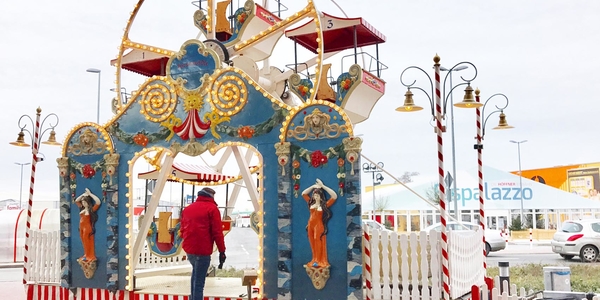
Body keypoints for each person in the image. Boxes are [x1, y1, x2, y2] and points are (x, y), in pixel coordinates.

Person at [180, 187, 226, 300]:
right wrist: (222, 251)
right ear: (211, 196)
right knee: (199, 283)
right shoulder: (212, 209)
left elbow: (182, 230)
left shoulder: (187, 209)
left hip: (189, 249)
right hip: (203, 250)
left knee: (195, 275)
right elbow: (217, 233)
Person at [301, 178, 338, 268]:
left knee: (317, 240)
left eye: (317, 195)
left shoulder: (324, 205)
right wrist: (313, 186)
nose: (315, 197)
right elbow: (303, 193)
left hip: (319, 225)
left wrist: (323, 186)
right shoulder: (311, 203)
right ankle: (314, 258)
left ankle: (319, 260)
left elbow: (334, 196)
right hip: (310, 225)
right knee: (312, 241)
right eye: (314, 195)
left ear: (321, 196)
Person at [74, 188, 101, 262]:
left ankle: (89, 255)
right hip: (81, 227)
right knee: (83, 240)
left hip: (87, 227)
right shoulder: (81, 208)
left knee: (87, 240)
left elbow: (98, 202)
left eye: (85, 202)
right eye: (82, 202)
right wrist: (83, 195)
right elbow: (76, 200)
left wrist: (90, 194)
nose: (83, 203)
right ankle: (86, 254)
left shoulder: (91, 210)